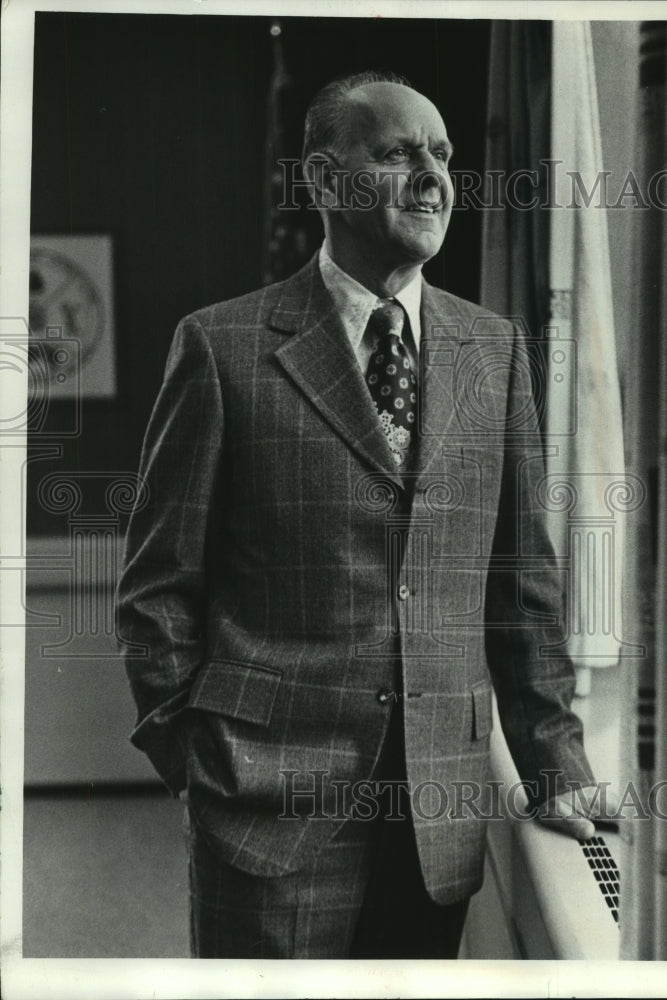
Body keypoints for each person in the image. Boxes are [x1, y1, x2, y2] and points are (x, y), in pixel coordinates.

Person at [117, 70, 598, 960]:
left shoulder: (494, 351)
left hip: (438, 818)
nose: (433, 175)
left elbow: (520, 589)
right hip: (266, 804)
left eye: (444, 155)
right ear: (324, 180)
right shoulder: (220, 347)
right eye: (398, 153)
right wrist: (189, 753)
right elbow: (156, 586)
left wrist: (555, 765)